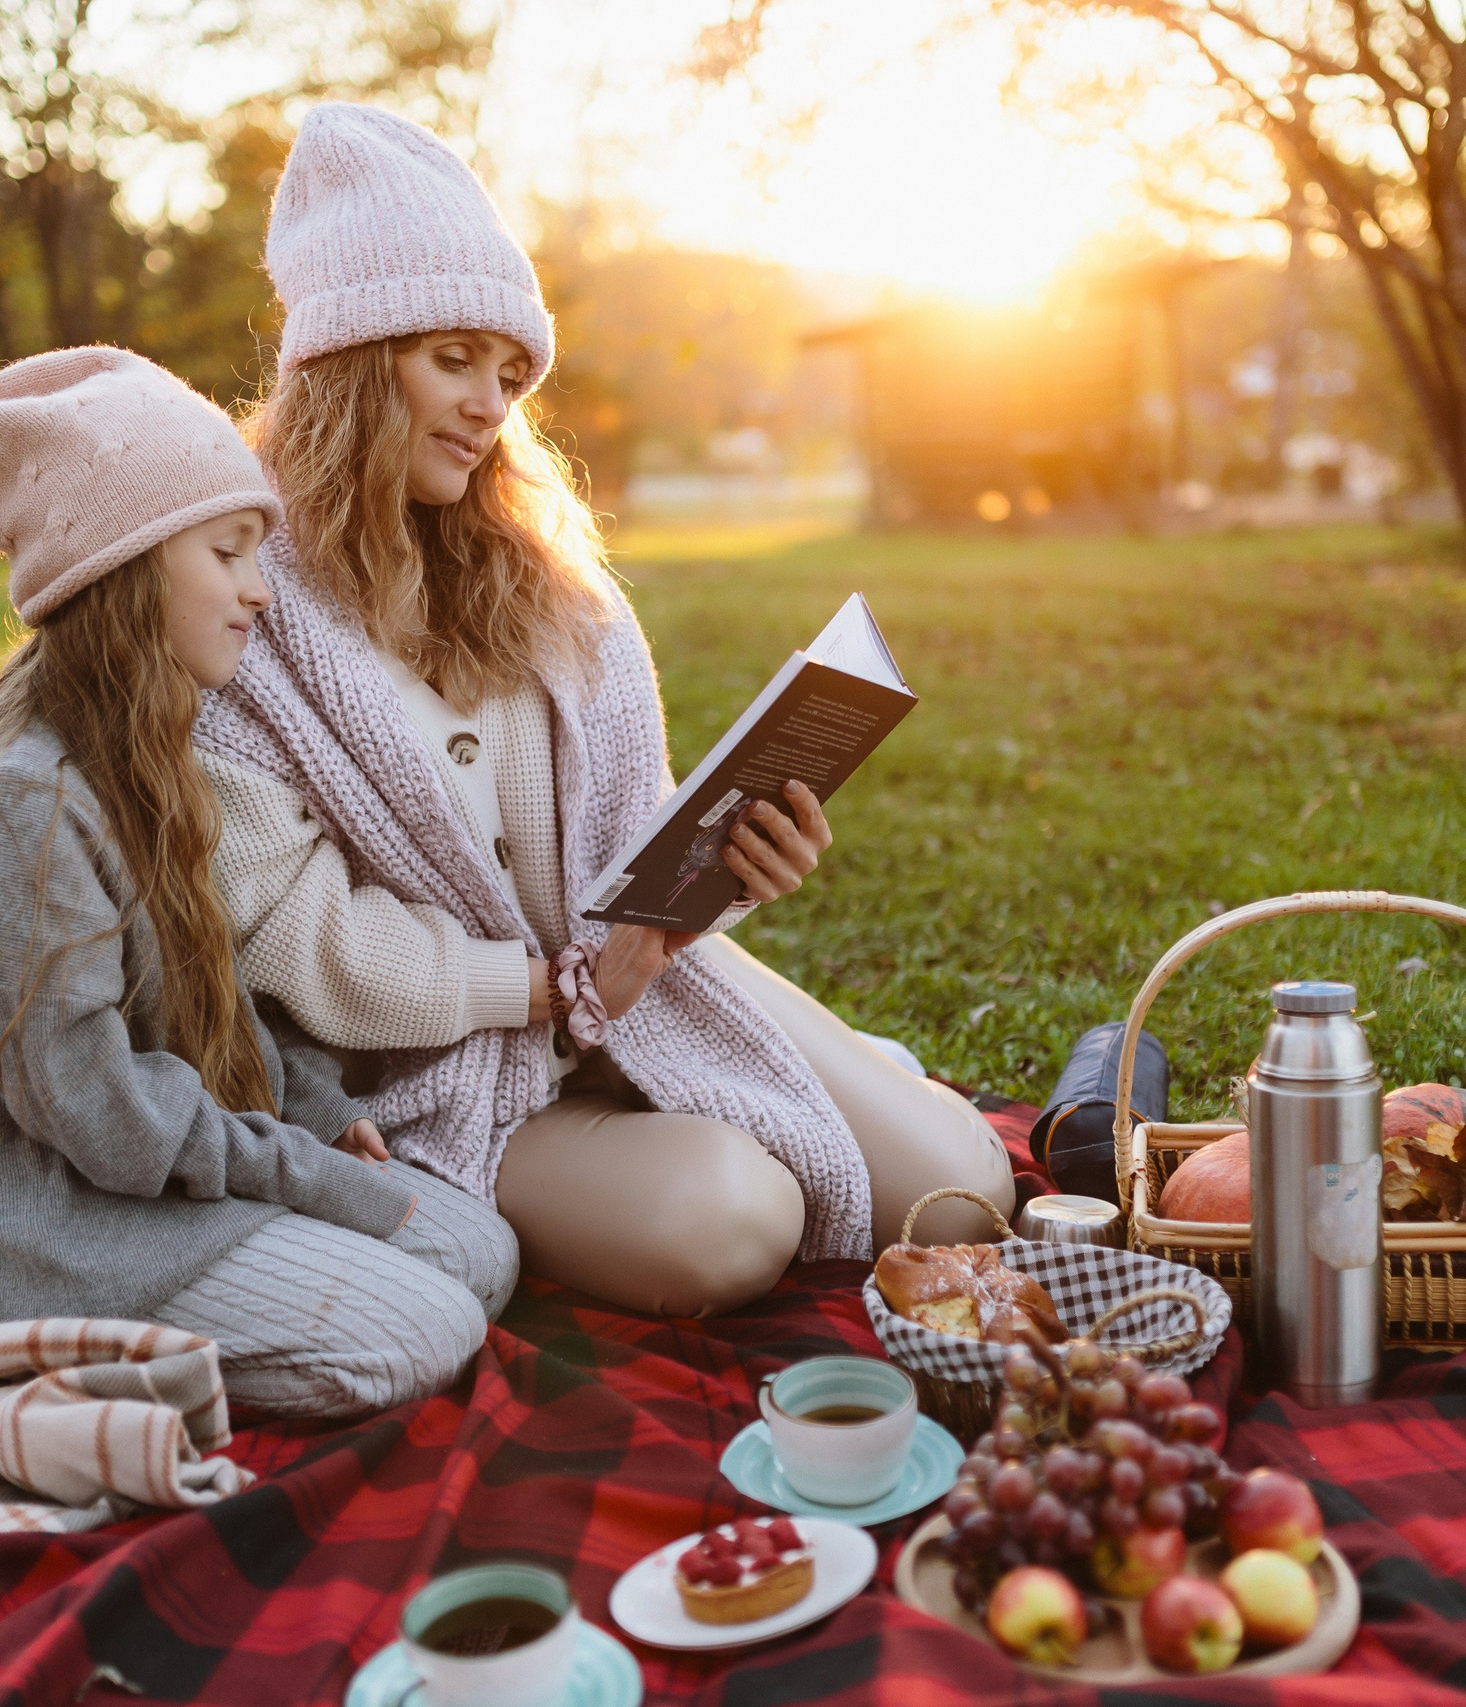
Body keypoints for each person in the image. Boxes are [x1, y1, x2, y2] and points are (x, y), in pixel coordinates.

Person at [194, 105, 1014, 1318]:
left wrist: (732, 868)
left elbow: (637, 840)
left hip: (639, 988)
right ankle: (706, 1129)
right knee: (734, 1222)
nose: (490, 407)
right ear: (355, 359)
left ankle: (808, 1090)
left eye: (509, 373)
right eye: (452, 359)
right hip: (440, 1070)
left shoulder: (547, 580)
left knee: (966, 1186)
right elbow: (298, 939)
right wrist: (548, 994)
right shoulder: (239, 600)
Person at [0, 345, 519, 1418]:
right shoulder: (23, 801)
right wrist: (308, 1177)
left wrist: (308, 1108)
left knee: (479, 1253)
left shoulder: (155, 752)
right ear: (120, 568)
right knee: (430, 1330)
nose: (261, 592)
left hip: (174, 1176)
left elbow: (203, 995)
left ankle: (276, 1276)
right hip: (76, 1223)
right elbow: (106, 1119)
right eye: (228, 553)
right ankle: (33, 1333)